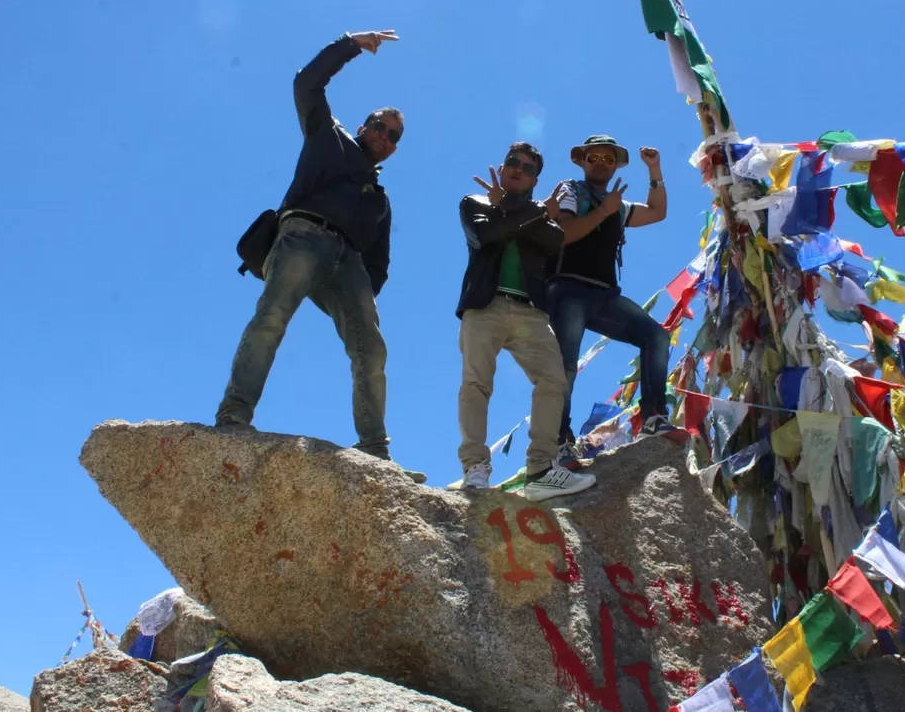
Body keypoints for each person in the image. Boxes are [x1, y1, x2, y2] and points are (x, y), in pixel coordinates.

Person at [216, 30, 425, 483]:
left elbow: (380, 262)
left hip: (346, 262)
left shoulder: (380, 200)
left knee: (370, 347)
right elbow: (306, 83)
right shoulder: (327, 135)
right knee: (272, 317)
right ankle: (234, 416)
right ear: (365, 125)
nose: (386, 137)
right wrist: (350, 44)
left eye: (395, 136)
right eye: (381, 127)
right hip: (302, 235)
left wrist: (363, 298)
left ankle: (374, 449)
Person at [455, 143, 598, 501]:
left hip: (530, 312)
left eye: (528, 167)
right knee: (476, 384)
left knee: (554, 380)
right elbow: (486, 235)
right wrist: (524, 210)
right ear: (502, 168)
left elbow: (552, 241)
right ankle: (475, 467)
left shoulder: (544, 218)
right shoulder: (474, 203)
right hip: (483, 307)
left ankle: (540, 470)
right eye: (512, 163)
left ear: (536, 178)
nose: (518, 169)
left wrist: (519, 210)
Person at [546, 135, 675, 463]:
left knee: (656, 336)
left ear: (616, 164)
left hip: (604, 295)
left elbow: (658, 212)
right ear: (582, 161)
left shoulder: (618, 207)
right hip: (568, 290)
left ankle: (654, 418)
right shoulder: (571, 191)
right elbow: (564, 232)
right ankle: (558, 442)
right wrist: (604, 210)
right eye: (594, 157)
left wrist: (655, 170)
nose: (601, 163)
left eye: (608, 158)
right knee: (565, 365)